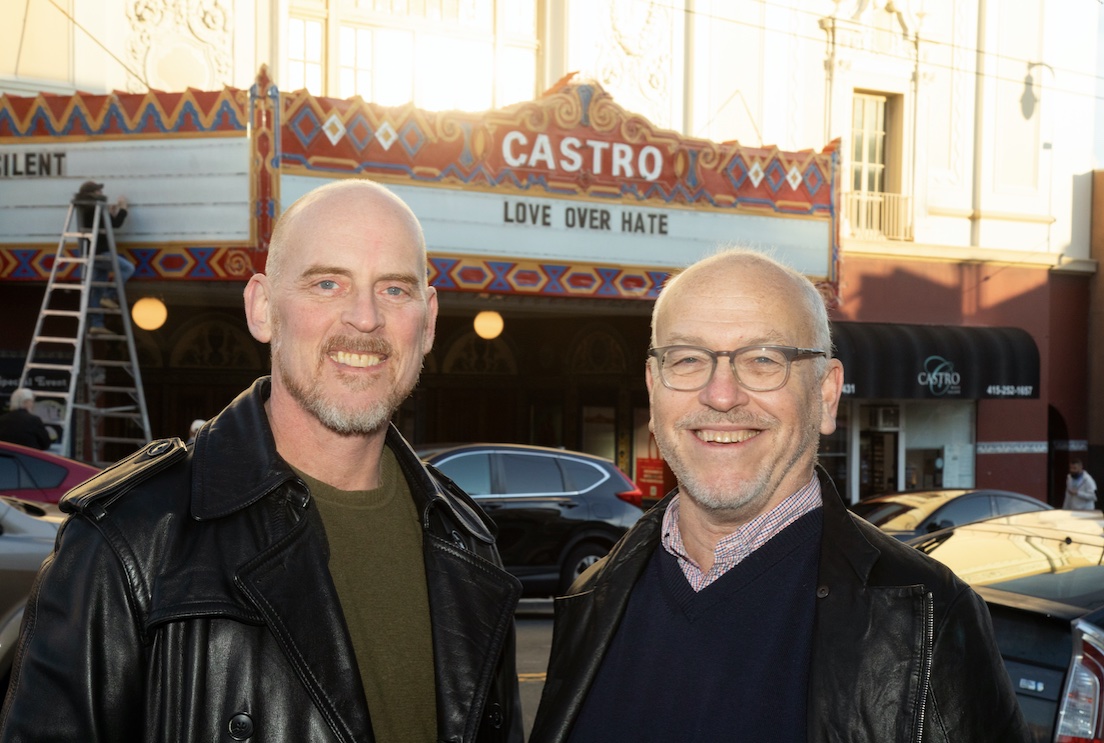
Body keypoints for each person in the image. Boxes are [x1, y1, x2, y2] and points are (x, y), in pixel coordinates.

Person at [0, 179, 524, 742]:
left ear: (429, 319)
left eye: (395, 289)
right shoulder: (127, 543)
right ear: (263, 308)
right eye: (328, 283)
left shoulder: (469, 545)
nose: (366, 318)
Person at [530, 249, 1028, 743]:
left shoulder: (928, 617)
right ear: (653, 390)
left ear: (826, 395)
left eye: (764, 359)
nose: (721, 395)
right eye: (686, 359)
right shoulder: (590, 597)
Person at [73, 180, 134, 334]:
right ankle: (109, 295)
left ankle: (97, 323)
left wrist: (109, 214)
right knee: (127, 268)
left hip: (90, 253)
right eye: (98, 191)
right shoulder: (95, 208)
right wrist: (123, 208)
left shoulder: (85, 209)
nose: (101, 194)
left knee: (97, 288)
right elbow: (116, 224)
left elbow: (105, 225)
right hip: (102, 252)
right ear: (92, 194)